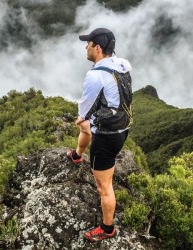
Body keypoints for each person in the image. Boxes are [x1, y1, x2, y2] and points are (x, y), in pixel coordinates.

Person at [67, 27, 132, 242]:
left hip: (107, 136)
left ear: (98, 48)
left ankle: (107, 228)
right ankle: (77, 155)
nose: (85, 47)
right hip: (123, 127)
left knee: (104, 187)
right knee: (86, 125)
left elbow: (84, 109)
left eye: (88, 43)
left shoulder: (96, 76)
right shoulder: (121, 66)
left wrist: (81, 117)